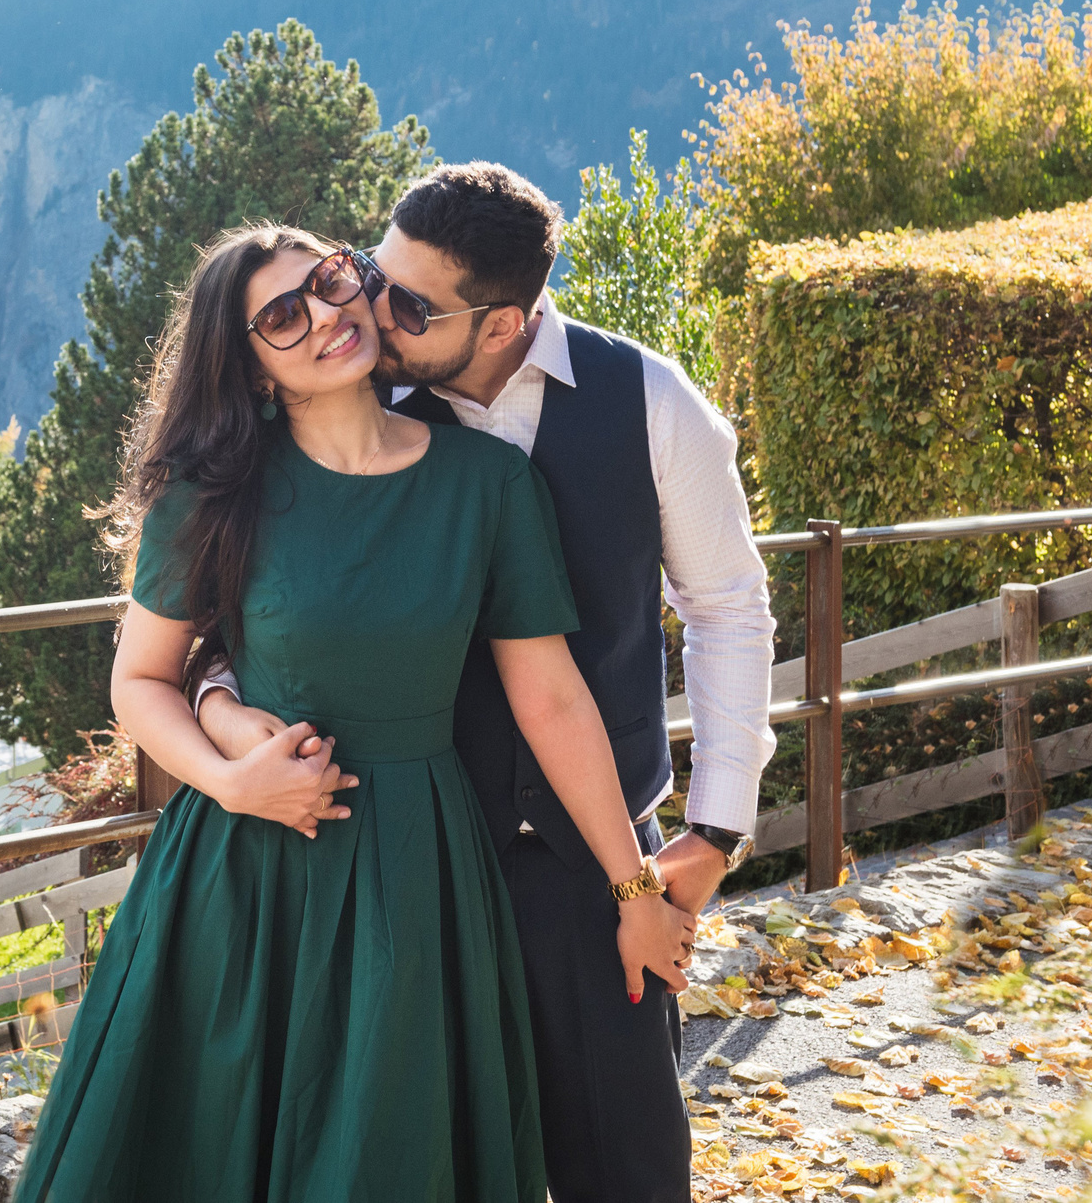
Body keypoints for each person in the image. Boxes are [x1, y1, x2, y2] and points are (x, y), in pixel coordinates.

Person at [15, 223, 692, 1203]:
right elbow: (140, 681)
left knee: (387, 1152)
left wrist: (634, 893)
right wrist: (231, 776)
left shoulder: (486, 483)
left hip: (416, 875)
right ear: (249, 365)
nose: (327, 314)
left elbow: (549, 698)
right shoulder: (214, 495)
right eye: (283, 315)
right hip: (243, 874)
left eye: (330, 280)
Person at [198, 163, 777, 1203]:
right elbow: (224, 597)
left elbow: (728, 607)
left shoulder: (649, 400)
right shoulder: (336, 396)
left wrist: (716, 829)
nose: (370, 309)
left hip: (592, 871)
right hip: (399, 862)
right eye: (372, 274)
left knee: (630, 1167)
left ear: (505, 322)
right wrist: (223, 712)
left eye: (409, 303)